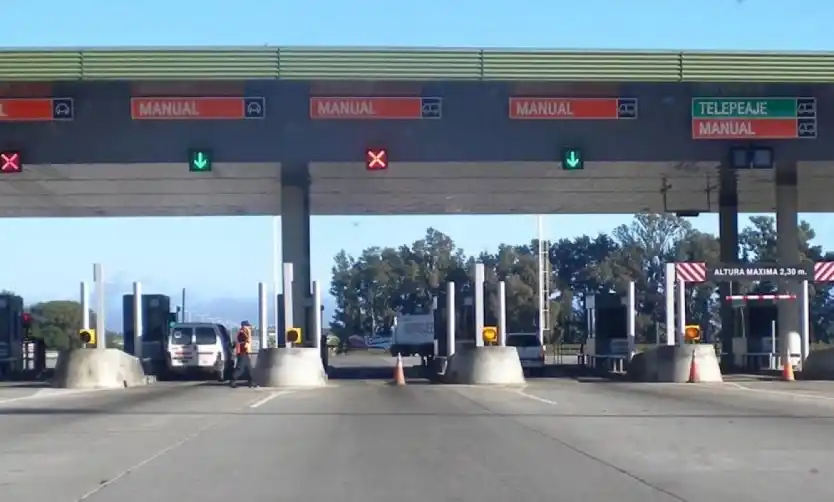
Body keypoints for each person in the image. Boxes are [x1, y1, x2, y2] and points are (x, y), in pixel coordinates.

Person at [230, 321, 254, 388]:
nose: (249, 328)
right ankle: (233, 381)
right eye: (247, 326)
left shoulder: (244, 332)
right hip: (242, 353)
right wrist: (249, 333)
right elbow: (246, 341)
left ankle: (251, 382)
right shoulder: (241, 333)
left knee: (249, 368)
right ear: (243, 326)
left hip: (245, 353)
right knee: (240, 368)